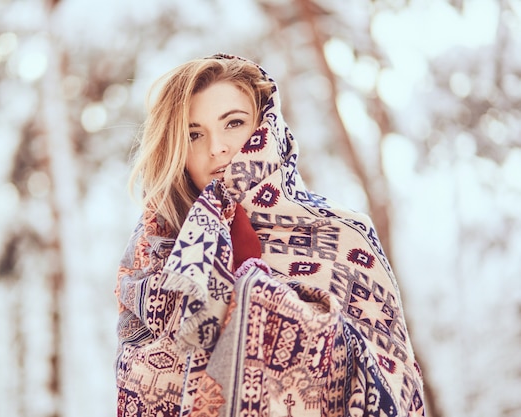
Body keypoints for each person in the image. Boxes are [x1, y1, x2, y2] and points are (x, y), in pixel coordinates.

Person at [115, 54, 425, 417]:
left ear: (266, 127)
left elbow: (391, 380)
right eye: (194, 134)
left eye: (233, 123)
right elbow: (137, 383)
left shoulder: (343, 233)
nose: (217, 147)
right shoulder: (154, 253)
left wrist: (250, 290)